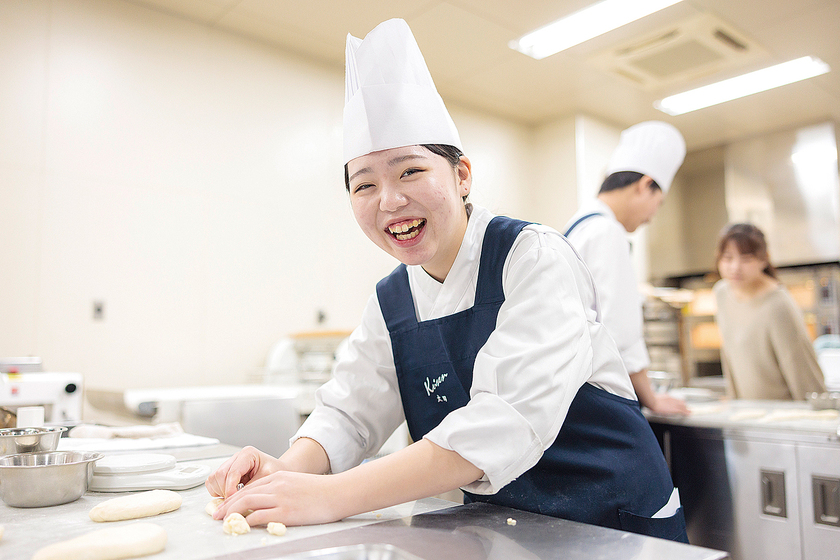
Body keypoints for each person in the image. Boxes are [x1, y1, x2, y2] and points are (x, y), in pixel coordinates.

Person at [206, 18, 687, 542]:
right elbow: (350, 410)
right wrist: (288, 469)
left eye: (409, 171)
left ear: (461, 177)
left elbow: (503, 419)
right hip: (507, 529)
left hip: (612, 523)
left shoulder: (531, 257)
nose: (389, 201)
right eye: (364, 185)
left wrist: (334, 494)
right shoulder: (393, 299)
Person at [563, 121, 690, 416]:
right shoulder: (607, 232)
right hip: (601, 399)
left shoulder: (579, 226)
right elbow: (621, 334)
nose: (650, 218)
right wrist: (653, 400)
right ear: (646, 186)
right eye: (657, 204)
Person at [714, 223, 826, 400]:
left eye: (746, 259)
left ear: (764, 259)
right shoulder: (721, 293)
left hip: (784, 416)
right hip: (747, 415)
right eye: (728, 258)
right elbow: (730, 359)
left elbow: (803, 372)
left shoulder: (778, 304)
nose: (735, 267)